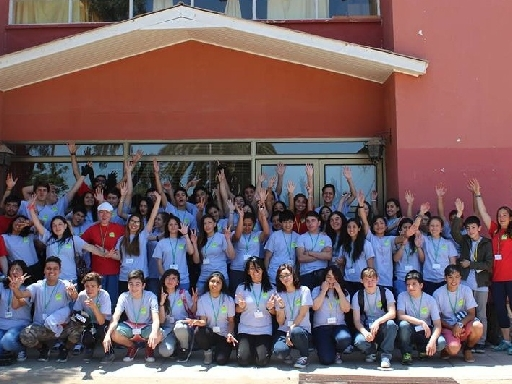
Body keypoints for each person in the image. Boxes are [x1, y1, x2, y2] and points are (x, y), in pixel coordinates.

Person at [468, 178, 512, 354]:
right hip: (497, 279)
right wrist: (478, 193)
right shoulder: (494, 231)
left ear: (510, 217)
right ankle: (507, 341)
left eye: (505, 215)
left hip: (511, 277)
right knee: (501, 309)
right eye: (499, 215)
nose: (501, 217)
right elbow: (483, 212)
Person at [12, 257, 82, 363]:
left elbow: (75, 297)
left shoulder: (65, 284)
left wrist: (72, 292)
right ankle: (42, 349)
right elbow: (20, 295)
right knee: (24, 335)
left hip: (62, 327)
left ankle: (65, 349)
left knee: (79, 328)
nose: (52, 271)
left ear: (60, 271)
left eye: (55, 269)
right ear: (44, 270)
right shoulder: (37, 286)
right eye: (49, 268)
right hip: (41, 327)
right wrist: (16, 288)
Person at [28, 197, 110, 284]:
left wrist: (105, 254)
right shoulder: (48, 237)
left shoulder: (74, 239)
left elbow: (91, 248)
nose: (57, 227)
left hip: (69, 280)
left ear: (65, 226)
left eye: (60, 224)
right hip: (51, 279)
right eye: (54, 225)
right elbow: (37, 224)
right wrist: (31, 209)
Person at [451, 198, 493, 354]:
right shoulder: (465, 241)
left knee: (481, 313)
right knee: (465, 312)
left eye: (473, 228)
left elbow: (488, 264)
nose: (470, 231)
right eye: (467, 228)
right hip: (466, 282)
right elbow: (455, 233)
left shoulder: (486, 243)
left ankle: (480, 342)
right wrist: (459, 214)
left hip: (481, 283)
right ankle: (466, 340)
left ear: (479, 228)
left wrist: (471, 264)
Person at [102, 269, 163, 363]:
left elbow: (156, 319)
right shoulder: (123, 296)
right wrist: (107, 335)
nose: (134, 287)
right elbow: (115, 317)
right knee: (113, 333)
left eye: (137, 284)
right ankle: (132, 347)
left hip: (146, 326)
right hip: (130, 326)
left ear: (143, 285)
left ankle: (149, 347)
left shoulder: (151, 296)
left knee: (158, 333)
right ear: (127, 285)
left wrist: (154, 332)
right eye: (131, 284)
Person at [433, 264, 484, 363]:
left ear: (460, 278)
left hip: (463, 323)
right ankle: (446, 348)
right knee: (453, 349)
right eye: (450, 277)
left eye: (457, 277)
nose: (454, 281)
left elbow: (472, 313)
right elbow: (437, 318)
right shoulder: (438, 293)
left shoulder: (466, 290)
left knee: (478, 326)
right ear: (445, 278)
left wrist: (460, 324)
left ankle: (467, 349)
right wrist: (453, 328)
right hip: (447, 326)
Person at [397, 270, 446, 365]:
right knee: (403, 325)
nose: (410, 287)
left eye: (414, 284)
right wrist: (420, 322)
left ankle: (423, 349)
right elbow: (400, 315)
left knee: (441, 343)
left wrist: (432, 341)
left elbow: (437, 325)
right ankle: (406, 353)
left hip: (425, 331)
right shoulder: (402, 296)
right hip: (410, 329)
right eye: (408, 285)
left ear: (421, 285)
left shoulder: (430, 299)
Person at [81, 201, 125, 308]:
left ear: (111, 214)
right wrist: (93, 249)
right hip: (97, 271)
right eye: (101, 212)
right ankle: (97, 321)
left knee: (112, 299)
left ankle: (110, 321)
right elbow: (81, 243)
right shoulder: (92, 229)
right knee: (97, 298)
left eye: (107, 212)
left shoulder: (119, 228)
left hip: (114, 270)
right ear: (98, 214)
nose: (104, 215)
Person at [116, 191, 161, 293]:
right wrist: (106, 253)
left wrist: (158, 200)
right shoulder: (121, 239)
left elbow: (152, 216)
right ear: (128, 223)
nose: (134, 224)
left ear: (140, 224)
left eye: (137, 222)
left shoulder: (143, 235)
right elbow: (118, 257)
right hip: (124, 277)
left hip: (141, 277)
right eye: (132, 221)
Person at [352, 267, 397, 369]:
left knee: (391, 325)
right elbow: (356, 320)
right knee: (359, 341)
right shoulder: (357, 295)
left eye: (372, 280)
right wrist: (364, 332)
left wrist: (378, 321)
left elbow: (392, 313)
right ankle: (371, 350)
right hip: (367, 325)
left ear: (377, 279)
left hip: (382, 324)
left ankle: (386, 356)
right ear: (361, 281)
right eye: (367, 280)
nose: (370, 283)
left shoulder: (385, 292)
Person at [234, 257, 275, 367]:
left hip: (264, 329)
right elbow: (235, 310)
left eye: (258, 268)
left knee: (261, 362)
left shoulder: (271, 288)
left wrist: (270, 308)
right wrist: (241, 307)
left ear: (263, 270)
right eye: (252, 268)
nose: (255, 271)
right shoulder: (241, 288)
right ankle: (248, 349)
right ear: (247, 271)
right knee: (243, 360)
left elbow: (276, 313)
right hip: (245, 329)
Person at [191, 271, 237, 365]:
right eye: (212, 281)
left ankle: (219, 351)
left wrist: (229, 333)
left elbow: (231, 321)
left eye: (218, 282)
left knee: (221, 360)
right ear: (208, 283)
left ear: (222, 285)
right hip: (210, 333)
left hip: (224, 334)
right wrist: (196, 322)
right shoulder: (202, 299)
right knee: (198, 331)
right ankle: (207, 351)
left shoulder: (228, 299)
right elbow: (203, 321)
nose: (214, 284)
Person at [273, 263, 313, 369]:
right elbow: (280, 322)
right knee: (279, 352)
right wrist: (281, 307)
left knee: (296, 331)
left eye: (287, 275)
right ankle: (287, 354)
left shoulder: (304, 290)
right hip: (284, 330)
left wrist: (290, 329)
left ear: (293, 274)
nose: (285, 278)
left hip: (300, 329)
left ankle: (304, 356)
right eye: (281, 276)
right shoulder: (279, 294)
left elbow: (302, 314)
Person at [311, 266, 351, 365]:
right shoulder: (317, 290)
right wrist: (323, 291)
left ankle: (338, 352)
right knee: (326, 360)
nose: (331, 280)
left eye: (334, 277)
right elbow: (315, 307)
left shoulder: (344, 291)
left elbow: (346, 309)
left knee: (344, 338)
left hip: (339, 325)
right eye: (328, 277)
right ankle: (324, 348)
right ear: (324, 278)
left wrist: (340, 291)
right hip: (321, 327)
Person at [230, 198, 270, 293]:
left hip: (253, 270)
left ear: (254, 225)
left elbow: (267, 233)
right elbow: (237, 236)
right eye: (244, 224)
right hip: (237, 269)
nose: (247, 227)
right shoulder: (234, 234)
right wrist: (241, 216)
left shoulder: (257, 235)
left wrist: (262, 214)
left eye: (249, 225)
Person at [158, 269, 198, 362]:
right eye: (167, 278)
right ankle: (175, 347)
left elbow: (193, 310)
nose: (170, 280)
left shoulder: (183, 293)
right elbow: (161, 320)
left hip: (183, 326)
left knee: (180, 327)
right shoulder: (159, 295)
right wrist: (161, 304)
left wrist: (195, 302)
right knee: (165, 352)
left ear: (177, 282)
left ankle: (184, 348)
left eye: (173, 278)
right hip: (168, 328)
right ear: (163, 280)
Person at [72, 272, 112, 362]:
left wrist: (94, 307)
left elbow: (102, 321)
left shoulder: (104, 296)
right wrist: (81, 319)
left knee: (102, 330)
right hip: (89, 322)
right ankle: (89, 348)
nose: (89, 289)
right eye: (87, 286)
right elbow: (75, 312)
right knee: (85, 332)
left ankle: (109, 352)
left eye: (93, 286)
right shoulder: (82, 295)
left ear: (99, 287)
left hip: (103, 322)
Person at [194, 215, 234, 294]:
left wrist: (228, 239)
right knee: (200, 303)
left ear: (215, 224)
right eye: (205, 223)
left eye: (210, 222)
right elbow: (196, 261)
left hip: (220, 277)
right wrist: (194, 244)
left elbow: (232, 256)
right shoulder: (200, 239)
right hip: (204, 277)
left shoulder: (222, 237)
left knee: (221, 303)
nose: (207, 225)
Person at [0, 260, 32, 363]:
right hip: (2, 324)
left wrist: (16, 289)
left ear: (24, 273)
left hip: (20, 324)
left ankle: (20, 349)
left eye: (18, 269)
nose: (14, 271)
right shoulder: (1, 286)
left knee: (7, 341)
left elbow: (15, 305)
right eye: (12, 269)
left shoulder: (28, 289)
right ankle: (6, 351)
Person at [337, 218, 375, 297]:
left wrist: (370, 281)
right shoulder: (344, 246)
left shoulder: (366, 244)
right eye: (349, 227)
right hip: (348, 280)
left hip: (361, 281)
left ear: (359, 228)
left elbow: (370, 265)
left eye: (354, 227)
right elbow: (342, 265)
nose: (351, 229)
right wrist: (340, 263)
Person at [296, 210, 332, 290]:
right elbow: (301, 258)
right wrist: (321, 254)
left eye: (313, 220)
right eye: (308, 221)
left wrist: (309, 253)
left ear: (319, 223)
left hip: (322, 274)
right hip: (306, 275)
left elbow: (328, 256)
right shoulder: (301, 238)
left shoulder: (326, 238)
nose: (310, 223)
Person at [422, 216, 458, 295]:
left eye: (437, 225)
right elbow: (414, 229)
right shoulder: (424, 240)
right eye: (432, 225)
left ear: (441, 228)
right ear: (428, 228)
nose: (434, 228)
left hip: (443, 280)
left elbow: (453, 264)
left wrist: (452, 280)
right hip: (428, 280)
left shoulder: (448, 243)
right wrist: (421, 213)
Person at [264, 210, 299, 286]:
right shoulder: (274, 236)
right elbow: (267, 257)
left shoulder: (297, 237)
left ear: (293, 222)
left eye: (290, 222)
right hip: (274, 273)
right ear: (281, 222)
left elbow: (298, 258)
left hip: (290, 275)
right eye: (285, 222)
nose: (287, 225)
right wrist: (266, 274)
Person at [2, 216, 41, 282]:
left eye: (23, 222)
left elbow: (40, 223)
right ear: (13, 222)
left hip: (36, 268)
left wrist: (30, 223)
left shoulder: (30, 235)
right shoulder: (4, 237)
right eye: (18, 220)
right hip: (20, 271)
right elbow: (2, 256)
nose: (19, 223)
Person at [393, 218, 425, 295]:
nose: (407, 230)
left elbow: (422, 260)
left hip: (415, 278)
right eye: (405, 227)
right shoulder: (396, 241)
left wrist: (418, 247)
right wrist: (403, 245)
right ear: (400, 229)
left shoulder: (418, 240)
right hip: (401, 278)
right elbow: (395, 259)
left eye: (409, 227)